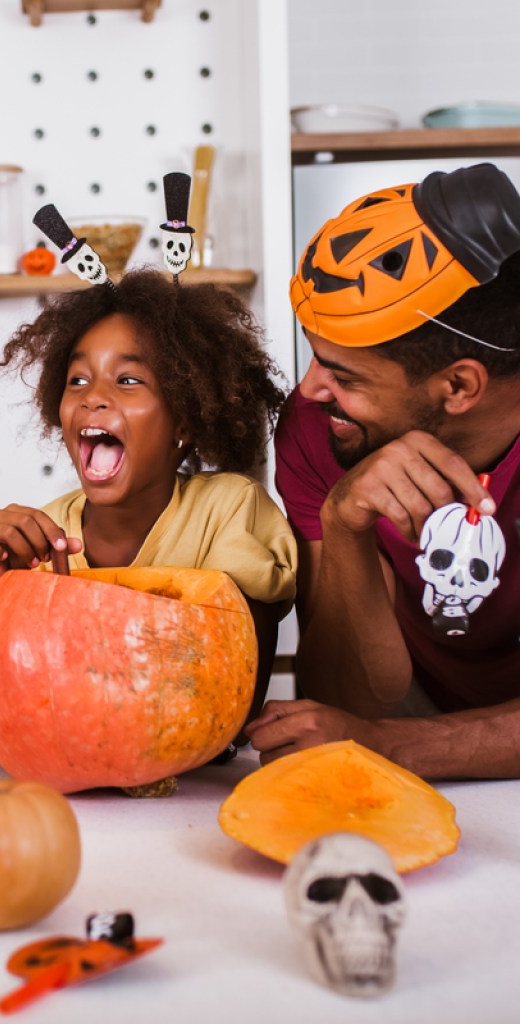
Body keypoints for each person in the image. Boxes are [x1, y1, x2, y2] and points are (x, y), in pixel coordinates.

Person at [0, 267, 297, 753]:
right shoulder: (35, 536)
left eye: (128, 379)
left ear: (186, 419)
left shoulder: (229, 513)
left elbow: (226, 718)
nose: (93, 397)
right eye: (78, 380)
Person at [246, 162, 520, 779]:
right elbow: (349, 700)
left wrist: (392, 746)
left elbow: (368, 734)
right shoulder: (321, 430)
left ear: (458, 385)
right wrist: (344, 523)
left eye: (344, 375)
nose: (312, 390)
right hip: (404, 715)